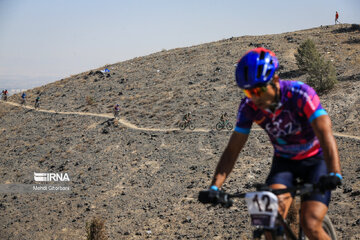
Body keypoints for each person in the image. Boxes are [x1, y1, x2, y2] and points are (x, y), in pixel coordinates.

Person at [198, 47, 342, 239]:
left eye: (259, 90)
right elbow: (232, 150)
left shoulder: (300, 93)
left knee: (310, 224)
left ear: (275, 80)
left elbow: (325, 132)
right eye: (249, 92)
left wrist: (334, 172)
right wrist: (215, 187)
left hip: (316, 160)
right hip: (285, 164)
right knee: (266, 221)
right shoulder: (248, 107)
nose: (255, 98)